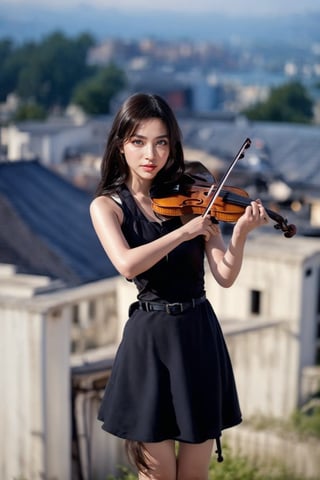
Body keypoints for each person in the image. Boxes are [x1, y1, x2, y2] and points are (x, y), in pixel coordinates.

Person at [90, 92, 269, 480]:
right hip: (150, 342)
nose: (150, 153)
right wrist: (184, 232)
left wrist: (238, 235)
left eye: (161, 142)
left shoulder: (193, 194)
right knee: (157, 477)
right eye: (138, 141)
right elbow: (126, 263)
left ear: (172, 146)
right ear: (121, 145)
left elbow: (224, 275)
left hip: (197, 337)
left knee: (194, 476)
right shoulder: (107, 206)